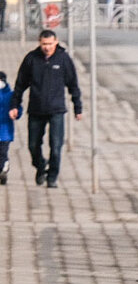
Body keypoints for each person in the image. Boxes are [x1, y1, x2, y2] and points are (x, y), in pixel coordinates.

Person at [9, 29, 84, 189]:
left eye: (50, 44)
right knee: (33, 145)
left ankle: (52, 177)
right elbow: (20, 85)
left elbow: (73, 85)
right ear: (39, 42)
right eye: (44, 44)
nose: (47, 47)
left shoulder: (63, 59)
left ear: (56, 42)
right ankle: (41, 166)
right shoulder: (31, 59)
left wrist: (78, 107)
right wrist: (15, 105)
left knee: (56, 146)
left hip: (56, 110)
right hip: (36, 109)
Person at [0, 71, 18, 185]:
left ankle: (3, 168)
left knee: (2, 152)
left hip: (4, 131)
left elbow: (17, 107)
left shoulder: (10, 95)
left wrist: (16, 112)